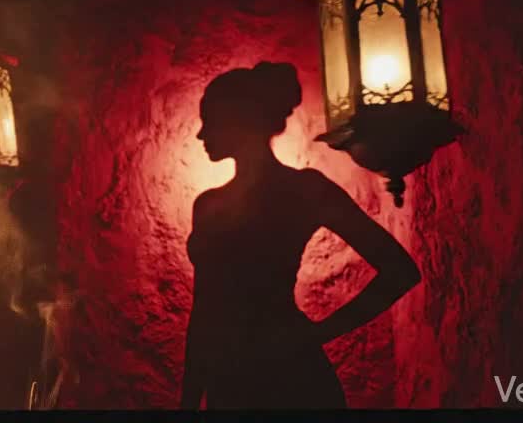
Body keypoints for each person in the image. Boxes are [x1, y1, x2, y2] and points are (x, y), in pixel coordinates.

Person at [180, 62, 421, 409]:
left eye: (211, 121)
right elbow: (203, 312)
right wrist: (188, 402)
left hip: (286, 380)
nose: (202, 135)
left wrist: (319, 333)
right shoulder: (209, 205)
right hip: (234, 381)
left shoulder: (305, 189)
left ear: (241, 122)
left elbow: (400, 270)